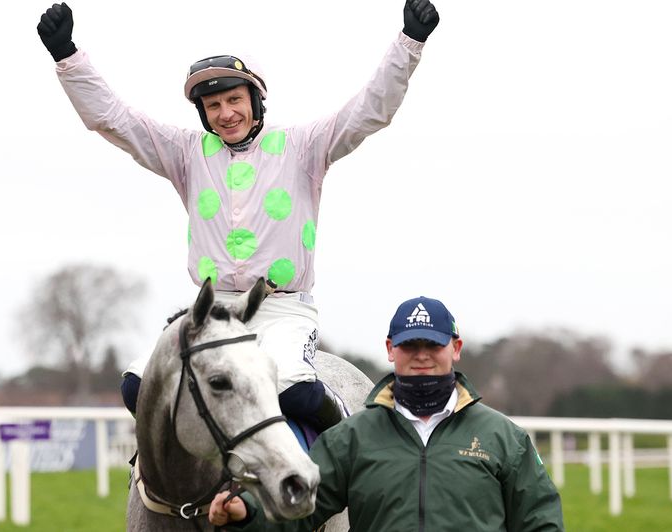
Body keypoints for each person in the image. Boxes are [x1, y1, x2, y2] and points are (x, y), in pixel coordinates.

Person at [36, 1, 440, 428]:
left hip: (284, 310)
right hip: (215, 309)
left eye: (234, 99)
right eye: (213, 106)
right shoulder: (187, 153)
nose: (225, 113)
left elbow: (369, 110)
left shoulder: (304, 146)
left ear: (255, 100)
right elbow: (114, 119)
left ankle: (354, 438)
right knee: (139, 387)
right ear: (204, 114)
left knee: (297, 392)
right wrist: (68, 56)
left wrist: (408, 44)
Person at [208, 296, 566, 531]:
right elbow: (301, 507)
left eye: (433, 344)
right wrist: (248, 512)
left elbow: (540, 521)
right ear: (391, 349)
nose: (421, 354)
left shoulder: (503, 437)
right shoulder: (351, 437)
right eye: (410, 344)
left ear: (455, 348)